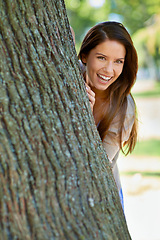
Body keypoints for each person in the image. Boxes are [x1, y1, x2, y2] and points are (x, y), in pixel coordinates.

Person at [78, 21, 138, 210]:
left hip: (103, 194)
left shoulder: (124, 107)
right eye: (102, 58)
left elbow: (98, 165)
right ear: (85, 56)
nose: (109, 70)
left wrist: (85, 117)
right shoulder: (70, 76)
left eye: (118, 61)